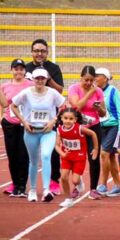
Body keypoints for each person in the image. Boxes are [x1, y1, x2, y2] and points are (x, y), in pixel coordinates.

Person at [11, 67, 65, 202]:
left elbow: (64, 105)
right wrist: (23, 121)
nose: (40, 80)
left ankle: (47, 189)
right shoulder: (26, 93)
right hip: (31, 131)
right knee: (34, 161)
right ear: (33, 79)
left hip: (48, 131)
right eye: (37, 78)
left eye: (42, 78)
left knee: (46, 155)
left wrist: (54, 120)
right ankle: (33, 190)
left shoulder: (52, 93)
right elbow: (13, 105)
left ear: (46, 79)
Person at [25, 39, 64, 195]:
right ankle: (21, 184)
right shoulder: (26, 68)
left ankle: (54, 181)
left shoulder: (53, 68)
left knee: (51, 152)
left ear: (47, 52)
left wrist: (48, 78)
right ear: (32, 52)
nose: (39, 53)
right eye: (36, 50)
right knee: (29, 154)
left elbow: (60, 90)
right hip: (30, 118)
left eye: (42, 51)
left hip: (49, 117)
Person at [68, 65, 106, 200]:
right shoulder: (74, 89)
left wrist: (98, 108)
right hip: (77, 128)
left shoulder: (99, 91)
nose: (89, 83)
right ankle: (76, 186)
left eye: (91, 80)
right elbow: (77, 106)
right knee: (75, 157)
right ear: (81, 78)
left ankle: (93, 189)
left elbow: (103, 113)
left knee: (93, 157)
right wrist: (90, 93)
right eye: (86, 80)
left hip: (93, 127)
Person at [0, 59, 33, 197]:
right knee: (12, 155)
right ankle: (15, 186)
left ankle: (22, 185)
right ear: (11, 70)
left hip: (24, 124)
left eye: (21, 69)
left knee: (23, 155)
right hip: (9, 123)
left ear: (25, 71)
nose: (18, 71)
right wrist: (2, 117)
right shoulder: (4, 86)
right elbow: (3, 104)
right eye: (16, 68)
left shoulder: (30, 85)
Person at [55, 107, 99, 208]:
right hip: (66, 156)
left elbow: (93, 134)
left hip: (79, 157)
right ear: (61, 118)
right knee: (63, 177)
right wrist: (62, 153)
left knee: (74, 180)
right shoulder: (59, 129)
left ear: (75, 119)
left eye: (71, 119)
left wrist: (95, 148)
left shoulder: (79, 128)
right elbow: (57, 145)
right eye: (65, 118)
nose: (68, 121)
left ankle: (79, 182)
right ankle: (68, 199)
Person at [95, 67, 120, 197]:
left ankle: (102, 185)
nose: (96, 78)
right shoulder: (95, 92)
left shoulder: (113, 91)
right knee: (111, 156)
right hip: (101, 127)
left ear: (105, 78)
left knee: (104, 154)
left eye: (98, 76)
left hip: (113, 126)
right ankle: (118, 186)